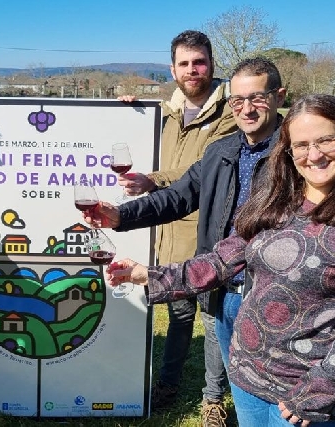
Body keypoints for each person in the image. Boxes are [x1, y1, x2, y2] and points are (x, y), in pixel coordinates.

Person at [106, 93, 335, 426]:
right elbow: (218, 261)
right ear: (288, 152)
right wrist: (146, 275)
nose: (313, 155)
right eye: (301, 145)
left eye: (326, 140)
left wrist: (320, 391)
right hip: (248, 379)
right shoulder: (276, 201)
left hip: (303, 394)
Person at [90, 57, 285, 366]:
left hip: (277, 292)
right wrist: (121, 215)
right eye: (237, 100)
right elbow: (176, 197)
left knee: (281, 386)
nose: (246, 109)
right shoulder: (219, 152)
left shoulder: (296, 154)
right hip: (226, 286)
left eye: (257, 98)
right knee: (240, 377)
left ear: (279, 96)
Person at [117, 30, 237, 425]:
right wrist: (130, 115)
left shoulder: (231, 112)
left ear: (212, 65)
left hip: (208, 228)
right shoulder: (165, 112)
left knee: (212, 315)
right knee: (179, 311)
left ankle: (213, 397)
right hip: (168, 228)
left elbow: (202, 171)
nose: (192, 70)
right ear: (172, 69)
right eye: (184, 63)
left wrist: (154, 179)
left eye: (199, 62)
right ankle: (168, 383)